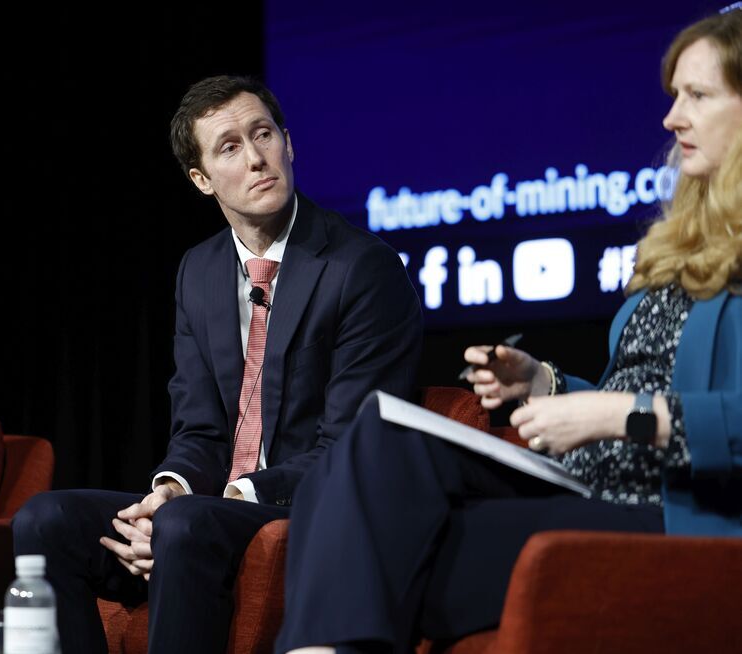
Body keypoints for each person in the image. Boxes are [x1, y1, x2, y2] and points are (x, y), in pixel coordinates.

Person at [276, 8, 742, 654]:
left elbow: (649, 410)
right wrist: (546, 384)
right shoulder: (685, 241)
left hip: (679, 508)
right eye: (674, 96)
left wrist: (621, 416)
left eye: (697, 95)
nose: (671, 118)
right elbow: (631, 386)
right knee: (377, 437)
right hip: (592, 480)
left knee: (390, 548)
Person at [12, 75, 423, 653]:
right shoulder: (198, 271)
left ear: (289, 142)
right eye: (230, 147)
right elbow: (199, 428)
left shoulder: (361, 267)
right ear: (202, 180)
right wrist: (169, 490)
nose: (257, 159)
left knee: (184, 525)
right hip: (208, 512)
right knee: (45, 519)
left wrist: (228, 498)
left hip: (307, 507)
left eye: (264, 135)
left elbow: (351, 445)